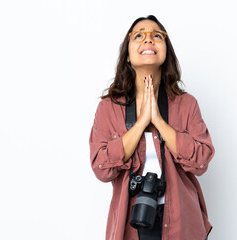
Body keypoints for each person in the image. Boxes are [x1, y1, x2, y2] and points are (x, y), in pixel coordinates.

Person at [89, 15, 215, 240]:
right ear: (127, 55)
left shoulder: (186, 104)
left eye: (157, 36)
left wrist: (158, 121)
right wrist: (140, 124)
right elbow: (101, 167)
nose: (148, 40)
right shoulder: (109, 108)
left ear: (166, 51)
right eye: (139, 36)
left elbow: (201, 160)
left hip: (181, 225)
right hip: (130, 226)